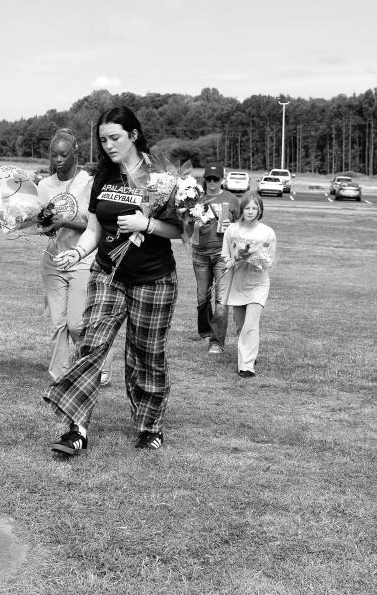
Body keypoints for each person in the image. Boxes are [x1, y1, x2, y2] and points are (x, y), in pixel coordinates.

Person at [43, 106, 183, 455]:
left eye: (115, 138)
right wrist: (77, 254)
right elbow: (94, 228)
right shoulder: (103, 177)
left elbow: (180, 231)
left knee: (146, 354)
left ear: (133, 135)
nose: (108, 145)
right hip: (108, 273)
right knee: (90, 345)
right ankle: (76, 429)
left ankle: (149, 427)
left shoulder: (160, 175)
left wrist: (146, 225)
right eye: (103, 139)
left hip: (153, 279)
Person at [36, 128, 115, 385]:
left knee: (76, 324)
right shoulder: (44, 186)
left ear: (74, 154)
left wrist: (66, 222)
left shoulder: (89, 183)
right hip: (53, 260)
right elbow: (43, 225)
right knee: (57, 324)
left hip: (82, 258)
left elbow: (97, 226)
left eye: (63, 155)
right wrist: (45, 224)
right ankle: (60, 376)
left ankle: (100, 359)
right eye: (54, 155)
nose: (58, 160)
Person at [182, 164, 239, 355]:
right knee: (202, 297)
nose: (212, 182)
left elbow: (240, 227)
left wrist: (231, 229)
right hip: (200, 253)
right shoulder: (194, 198)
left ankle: (216, 341)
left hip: (222, 254)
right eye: (209, 179)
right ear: (204, 179)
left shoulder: (231, 199)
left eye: (216, 179)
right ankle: (205, 331)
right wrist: (191, 223)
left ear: (222, 179)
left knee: (221, 301)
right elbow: (187, 228)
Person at [221, 192, 277, 377]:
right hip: (238, 282)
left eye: (255, 208)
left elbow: (269, 261)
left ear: (260, 210)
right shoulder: (232, 230)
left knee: (251, 325)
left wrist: (257, 257)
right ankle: (249, 354)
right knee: (240, 325)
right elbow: (225, 253)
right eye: (247, 208)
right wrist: (230, 260)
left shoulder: (267, 232)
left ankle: (246, 367)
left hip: (259, 283)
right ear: (242, 210)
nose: (251, 211)